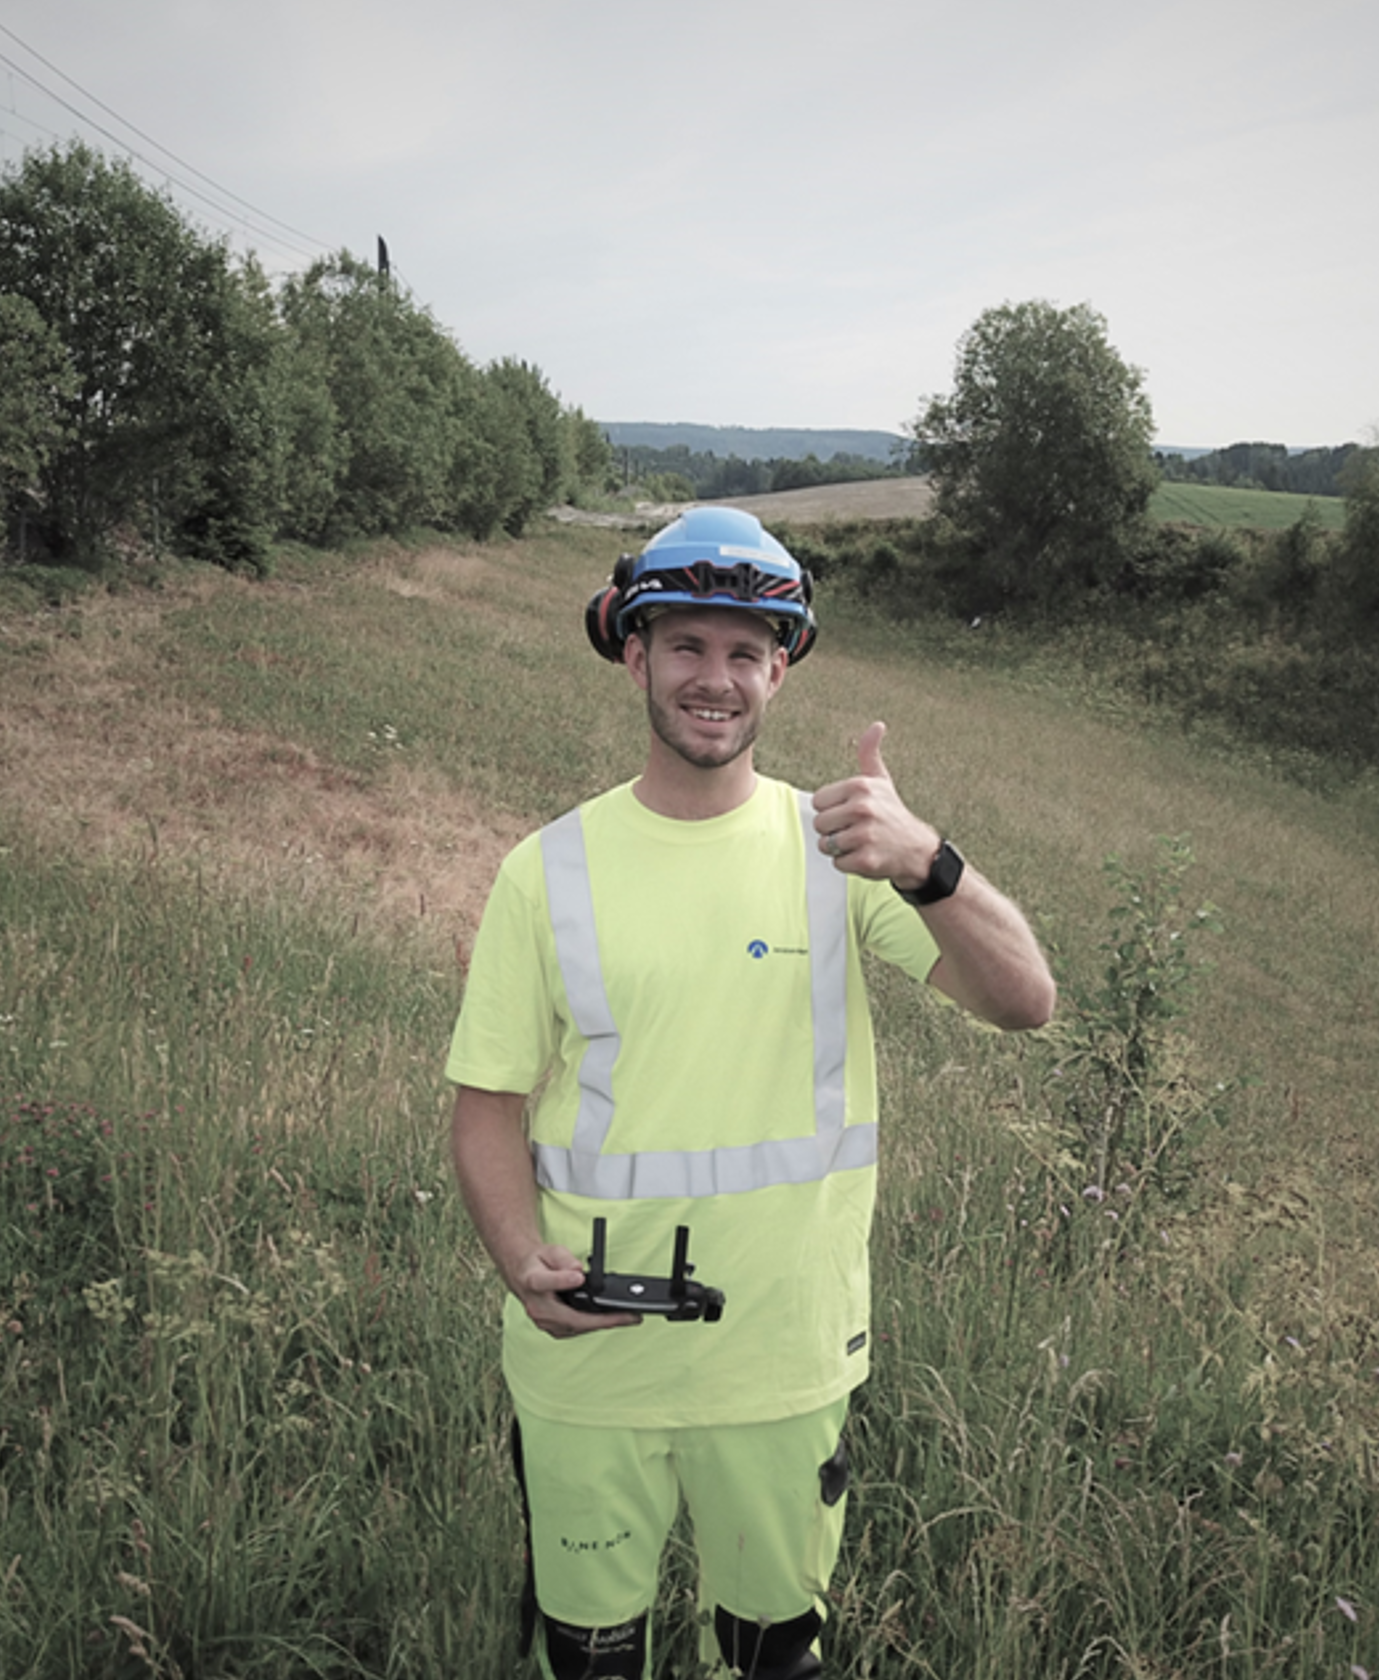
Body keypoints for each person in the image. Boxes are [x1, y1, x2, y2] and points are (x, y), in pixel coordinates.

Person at [446, 506, 1055, 1680]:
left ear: (782, 670)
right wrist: (520, 1259)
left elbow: (1027, 1000)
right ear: (634, 653)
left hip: (782, 1369)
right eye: (686, 646)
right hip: (591, 1365)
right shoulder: (546, 871)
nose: (713, 680)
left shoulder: (843, 854)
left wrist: (932, 863)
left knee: (771, 1656)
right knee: (587, 1658)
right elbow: (485, 1108)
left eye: (744, 653)